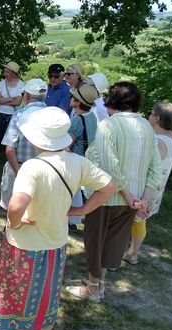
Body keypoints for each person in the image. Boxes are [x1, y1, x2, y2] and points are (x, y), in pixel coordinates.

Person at [0, 106, 116, 330]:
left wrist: (14, 223)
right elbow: (109, 186)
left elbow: (17, 205)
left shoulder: (32, 167)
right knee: (46, 294)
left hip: (24, 246)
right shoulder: (77, 162)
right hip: (55, 243)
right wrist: (82, 209)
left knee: (15, 295)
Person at [66, 82, 161, 302]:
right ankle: (100, 285)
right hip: (133, 199)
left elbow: (110, 166)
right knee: (114, 242)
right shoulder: (147, 127)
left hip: (106, 196)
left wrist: (130, 196)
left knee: (95, 240)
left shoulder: (108, 126)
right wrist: (143, 200)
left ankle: (93, 287)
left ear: (112, 101)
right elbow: (155, 167)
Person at [124, 100, 172, 265]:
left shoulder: (160, 141)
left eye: (152, 113)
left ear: (157, 118)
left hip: (148, 189)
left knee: (138, 219)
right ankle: (131, 252)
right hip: (154, 187)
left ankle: (133, 253)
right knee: (138, 220)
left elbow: (148, 164)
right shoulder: (168, 137)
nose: (149, 115)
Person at [0, 78, 47, 210]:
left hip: (20, 167)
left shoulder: (19, 115)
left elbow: (9, 149)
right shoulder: (53, 115)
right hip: (45, 171)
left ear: (26, 96)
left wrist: (18, 172)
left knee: (14, 211)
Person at [66, 83, 100, 230]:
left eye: (73, 96)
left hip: (76, 160)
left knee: (72, 191)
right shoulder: (92, 117)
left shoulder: (77, 120)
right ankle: (76, 219)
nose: (71, 98)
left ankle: (71, 220)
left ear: (78, 102)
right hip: (87, 160)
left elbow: (67, 144)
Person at [0, 61, 24, 159]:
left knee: (11, 136)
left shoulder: (21, 84)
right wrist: (10, 99)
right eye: (5, 71)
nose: (4, 74)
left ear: (14, 73)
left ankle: (10, 155)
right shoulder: (2, 83)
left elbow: (18, 102)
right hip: (0, 112)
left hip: (13, 114)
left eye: (7, 72)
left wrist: (3, 100)